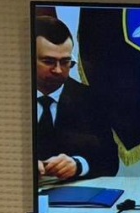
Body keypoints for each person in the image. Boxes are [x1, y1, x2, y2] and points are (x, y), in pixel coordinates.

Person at [33, 16, 118, 180]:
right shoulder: (8, 99)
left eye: (66, 62)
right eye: (48, 61)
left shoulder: (91, 100)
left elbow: (110, 161)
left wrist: (79, 165)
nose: (58, 70)